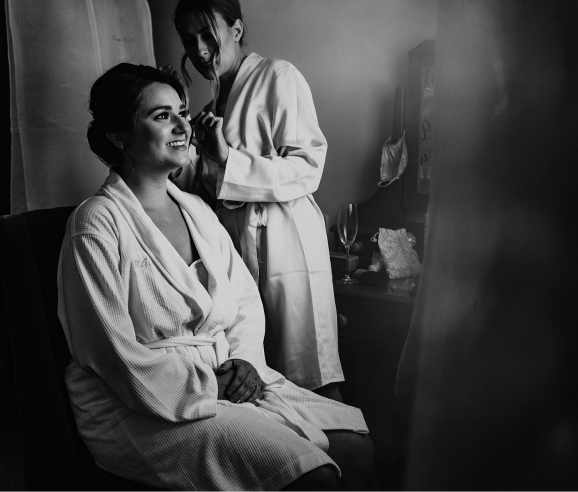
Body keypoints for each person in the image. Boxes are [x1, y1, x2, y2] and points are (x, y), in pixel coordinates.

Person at [57, 62, 374, 491]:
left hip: (224, 374)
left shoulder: (197, 211)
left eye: (182, 113)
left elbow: (244, 303)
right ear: (118, 135)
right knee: (313, 476)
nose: (182, 127)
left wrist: (244, 362)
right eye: (162, 115)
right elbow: (109, 351)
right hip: (139, 402)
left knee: (357, 448)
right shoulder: (96, 224)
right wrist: (207, 386)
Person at [168, 0, 343, 400]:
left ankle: (345, 438)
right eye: (189, 40)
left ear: (237, 29)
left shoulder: (278, 76)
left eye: (208, 34)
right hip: (235, 251)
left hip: (286, 243)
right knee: (257, 378)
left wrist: (228, 159)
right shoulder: (209, 108)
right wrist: (183, 142)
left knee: (309, 373)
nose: (200, 50)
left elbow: (308, 166)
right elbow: (201, 191)